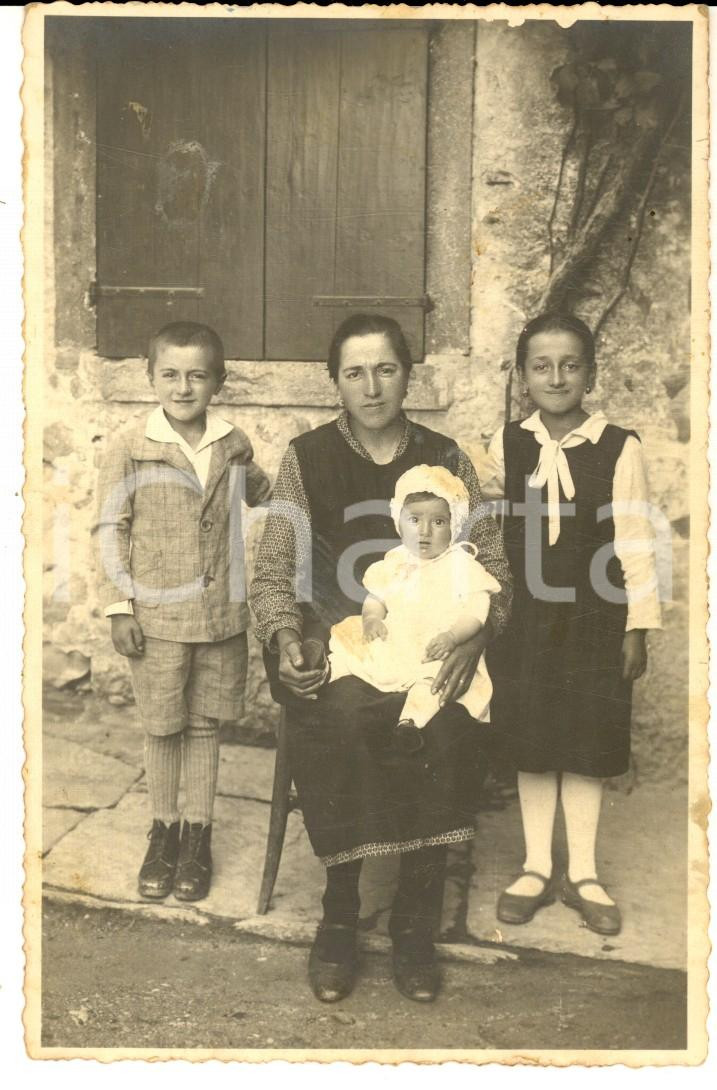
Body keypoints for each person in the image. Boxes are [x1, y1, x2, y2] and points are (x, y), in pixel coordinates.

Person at [250, 313, 512, 1004]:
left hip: (435, 642)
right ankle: (339, 915)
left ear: (408, 375)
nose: (371, 387)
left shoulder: (446, 457)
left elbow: (493, 569)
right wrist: (285, 641)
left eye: (386, 369)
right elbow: (275, 572)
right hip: (337, 639)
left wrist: (474, 639)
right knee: (338, 717)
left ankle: (414, 922)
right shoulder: (306, 459)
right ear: (334, 381)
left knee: (445, 722)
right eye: (355, 373)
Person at [482, 313, 662, 936]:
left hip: (594, 618)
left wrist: (636, 628)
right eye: (541, 365)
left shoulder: (619, 445)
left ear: (591, 371)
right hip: (526, 618)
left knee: (585, 741)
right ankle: (535, 866)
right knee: (532, 735)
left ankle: (583, 872)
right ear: (523, 374)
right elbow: (489, 534)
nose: (556, 377)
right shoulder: (508, 443)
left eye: (570, 364)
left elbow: (636, 542)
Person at [94, 321, 271, 903]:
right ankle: (162, 832)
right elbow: (109, 527)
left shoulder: (232, 442)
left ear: (219, 381)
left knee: (204, 724)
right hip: (159, 616)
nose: (183, 386)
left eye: (198, 375)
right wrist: (121, 605)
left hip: (220, 613)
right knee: (163, 724)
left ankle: (198, 836)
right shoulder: (131, 445)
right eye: (169, 374)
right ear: (150, 377)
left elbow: (264, 492)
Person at [328, 464, 501, 753]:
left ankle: (410, 723)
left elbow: (477, 611)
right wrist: (372, 619)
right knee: (351, 654)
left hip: (437, 647)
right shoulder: (395, 562)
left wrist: (453, 637)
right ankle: (328, 674)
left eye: (438, 522)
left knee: (431, 683)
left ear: (454, 525)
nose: (424, 531)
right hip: (400, 641)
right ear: (399, 522)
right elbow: (376, 598)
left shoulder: (462, 566)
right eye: (414, 520)